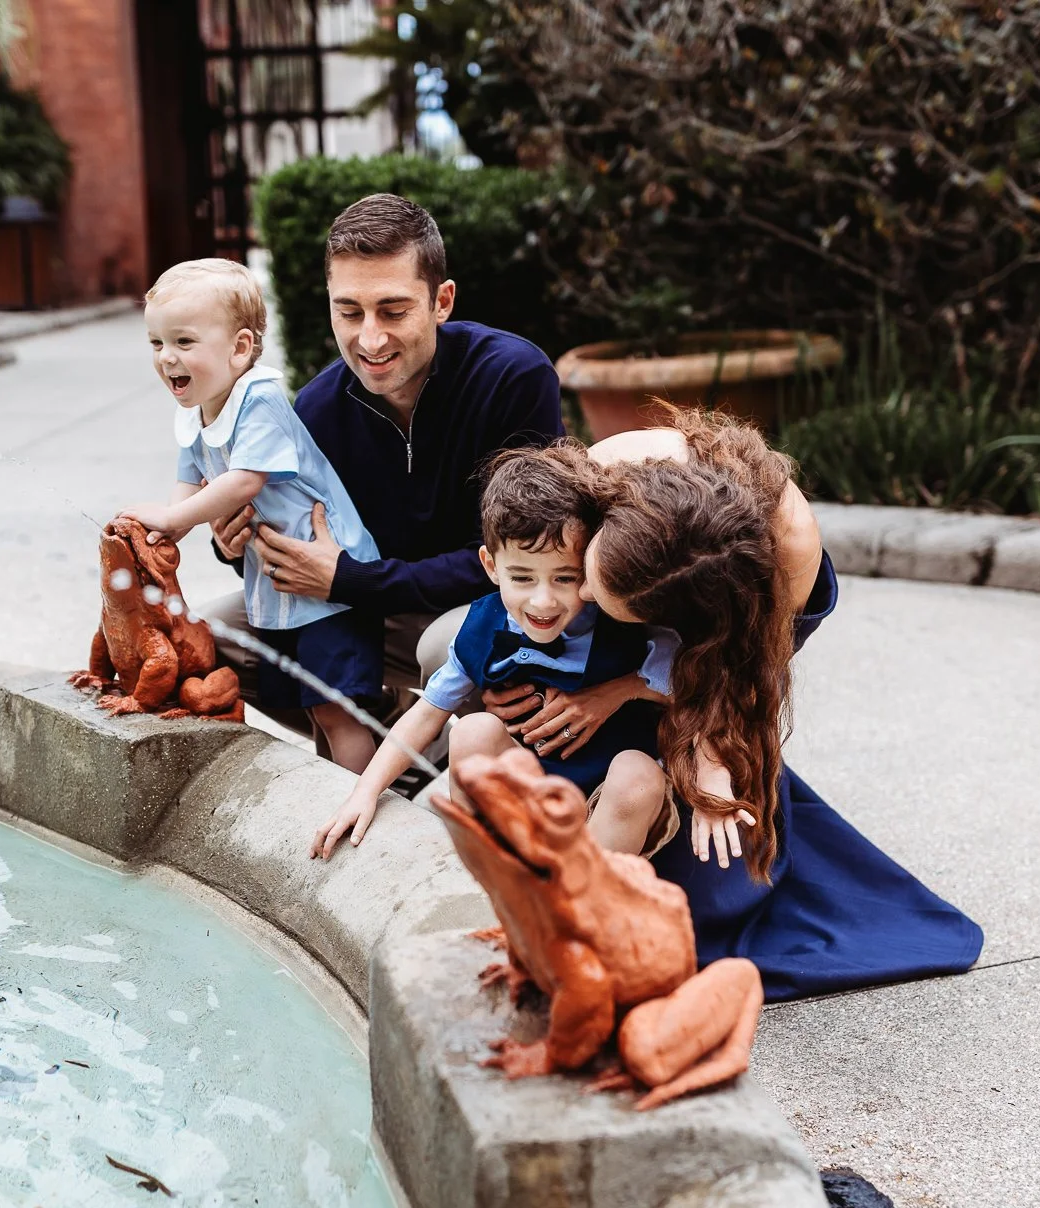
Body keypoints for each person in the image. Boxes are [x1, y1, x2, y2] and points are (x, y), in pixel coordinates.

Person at [553, 405, 985, 1001]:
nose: (579, 595)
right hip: (654, 579)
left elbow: (734, 675)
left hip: (742, 612)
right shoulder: (606, 470)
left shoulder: (787, 551)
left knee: (712, 890)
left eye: (592, 589)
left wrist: (711, 772)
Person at [203, 194, 565, 730]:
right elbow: (302, 551)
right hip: (374, 606)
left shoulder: (511, 378)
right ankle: (393, 744)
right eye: (349, 312)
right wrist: (237, 544)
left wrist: (353, 581)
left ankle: (462, 762)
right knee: (216, 631)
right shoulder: (316, 412)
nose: (369, 339)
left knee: (443, 647)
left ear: (441, 301)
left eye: (393, 311)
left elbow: (523, 556)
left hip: (495, 604)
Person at [310, 446, 677, 860]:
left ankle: (586, 902)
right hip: (535, 795)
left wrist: (619, 691)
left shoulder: (619, 613)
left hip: (608, 802)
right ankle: (481, 859)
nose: (542, 602)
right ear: (491, 565)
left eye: (565, 578)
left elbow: (690, 686)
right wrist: (366, 791)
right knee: (472, 732)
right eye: (521, 577)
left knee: (637, 773)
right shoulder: (483, 627)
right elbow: (426, 714)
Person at [116, 258, 383, 773]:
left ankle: (359, 808)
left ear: (239, 348)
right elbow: (189, 483)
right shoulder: (195, 410)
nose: (167, 357)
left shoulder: (258, 399)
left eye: (184, 342)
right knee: (317, 710)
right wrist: (165, 530)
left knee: (337, 710)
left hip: (334, 579)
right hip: (282, 585)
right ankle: (333, 799)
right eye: (157, 343)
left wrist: (173, 521)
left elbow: (243, 481)